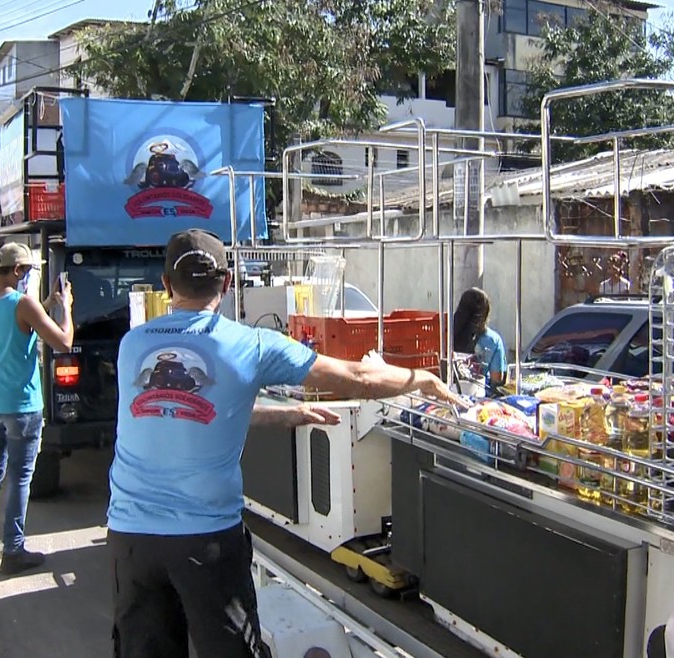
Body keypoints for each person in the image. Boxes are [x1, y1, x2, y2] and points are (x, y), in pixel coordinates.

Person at [110, 229, 464, 658]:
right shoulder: (249, 344)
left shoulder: (131, 346)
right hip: (204, 538)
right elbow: (357, 377)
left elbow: (180, 411)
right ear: (226, 284)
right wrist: (421, 377)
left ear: (166, 286)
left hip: (130, 536)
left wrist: (287, 414)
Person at [0, 243, 74, 575]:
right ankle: (13, 549)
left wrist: (45, 305)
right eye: (27, 271)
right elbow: (63, 342)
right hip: (22, 407)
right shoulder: (23, 304)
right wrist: (66, 308)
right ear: (16, 271)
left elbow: (17, 326)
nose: (28, 276)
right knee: (20, 477)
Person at [451, 287, 508, 390]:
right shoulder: (494, 340)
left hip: (448, 392)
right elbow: (497, 379)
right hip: (477, 394)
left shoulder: (446, 333)